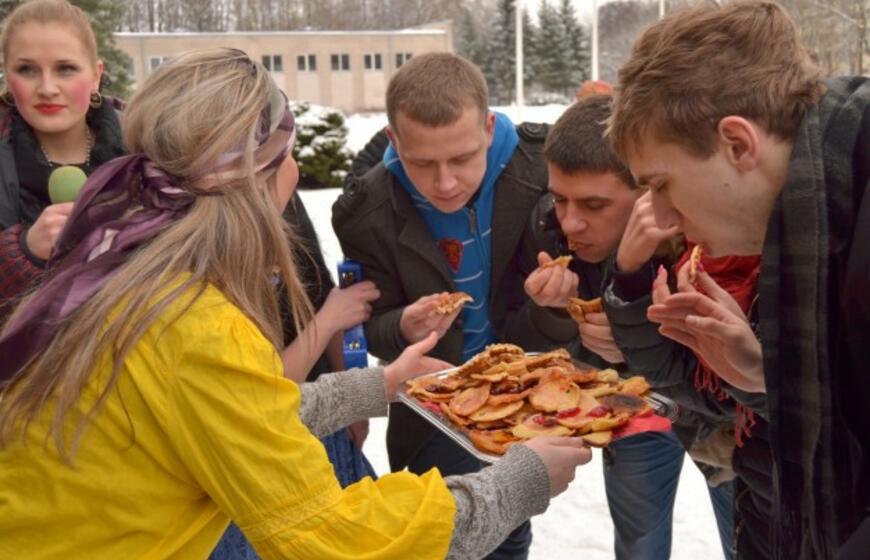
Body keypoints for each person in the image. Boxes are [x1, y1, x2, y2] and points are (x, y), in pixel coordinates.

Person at [0, 48, 593, 559]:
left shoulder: (132, 267)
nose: (297, 169)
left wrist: (379, 386)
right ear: (253, 182)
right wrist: (522, 480)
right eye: (284, 157)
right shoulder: (193, 322)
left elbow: (240, 412)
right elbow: (330, 537)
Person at [608, 1, 869, 558]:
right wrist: (760, 379)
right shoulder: (806, 223)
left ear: (737, 144)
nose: (665, 217)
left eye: (661, 184)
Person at [332, 52, 557, 558]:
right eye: (422, 163)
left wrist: (556, 305)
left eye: (461, 159)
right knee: (446, 536)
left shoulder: (542, 171)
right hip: (432, 414)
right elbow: (369, 326)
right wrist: (401, 328)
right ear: (393, 141)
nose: (445, 183)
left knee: (509, 531)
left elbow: (556, 325)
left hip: (527, 402)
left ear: (488, 127)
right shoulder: (364, 213)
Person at [522, 95, 736, 560]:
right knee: (640, 540)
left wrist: (632, 335)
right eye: (559, 198)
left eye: (595, 205)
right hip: (632, 410)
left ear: (648, 191)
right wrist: (557, 309)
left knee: (744, 536)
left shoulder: (710, 233)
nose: (570, 220)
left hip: (716, 425)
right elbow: (550, 361)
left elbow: (737, 374)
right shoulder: (556, 231)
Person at [210, 192, 380, 560]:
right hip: (262, 458)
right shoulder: (213, 228)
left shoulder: (286, 199)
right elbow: (262, 393)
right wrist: (331, 318)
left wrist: (352, 399)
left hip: (324, 430)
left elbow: (322, 296)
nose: (293, 166)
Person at [0, 0, 125, 315]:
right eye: (26, 69)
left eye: (65, 68)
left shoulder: (145, 149)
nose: (47, 88)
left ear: (96, 75)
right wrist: (24, 251)